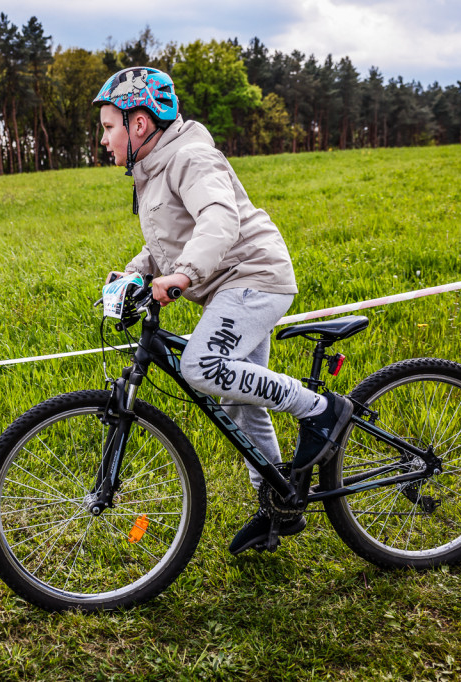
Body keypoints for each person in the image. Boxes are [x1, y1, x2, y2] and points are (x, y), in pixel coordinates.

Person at [93, 66, 354, 555]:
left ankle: (322, 412)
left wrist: (184, 275)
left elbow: (218, 218)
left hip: (255, 278)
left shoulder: (190, 157)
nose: (104, 139)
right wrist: (134, 273)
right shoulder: (152, 170)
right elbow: (170, 242)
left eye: (109, 127)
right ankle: (278, 502)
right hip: (231, 287)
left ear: (140, 125)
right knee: (239, 398)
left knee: (202, 367)